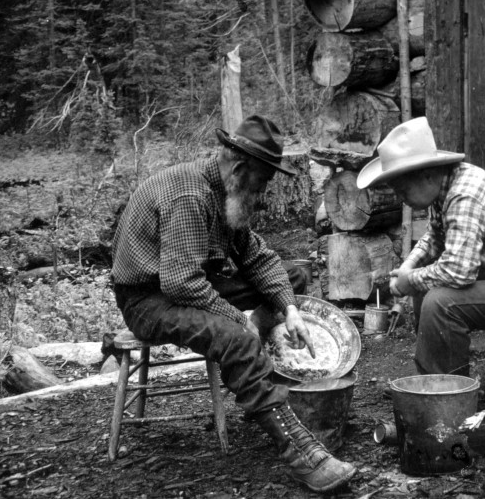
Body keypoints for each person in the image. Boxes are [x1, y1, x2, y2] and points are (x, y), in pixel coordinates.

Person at [111, 115, 357, 493]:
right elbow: (180, 283)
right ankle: (299, 452)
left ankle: (260, 379)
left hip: (190, 283)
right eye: (262, 183)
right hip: (148, 299)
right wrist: (239, 323)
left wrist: (289, 309)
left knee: (290, 278)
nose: (261, 195)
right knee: (235, 337)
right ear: (241, 169)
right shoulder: (189, 194)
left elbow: (258, 259)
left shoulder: (225, 189)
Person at [357, 117, 485, 377]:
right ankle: (433, 376)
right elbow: (434, 236)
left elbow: (460, 272)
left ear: (427, 174)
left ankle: (447, 390)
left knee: (440, 303)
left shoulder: (463, 195)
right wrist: (409, 265)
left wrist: (409, 280)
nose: (402, 200)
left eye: (403, 191)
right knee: (423, 287)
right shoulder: (444, 186)